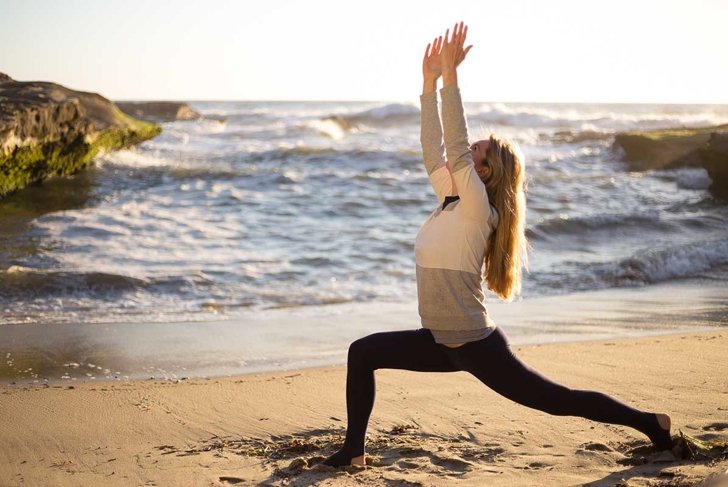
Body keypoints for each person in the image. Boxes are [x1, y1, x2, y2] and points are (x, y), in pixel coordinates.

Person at [320, 21, 673, 469]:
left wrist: (452, 78)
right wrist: (427, 82)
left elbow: (453, 145)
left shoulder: (475, 209)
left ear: (483, 171)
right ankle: (354, 451)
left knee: (555, 400)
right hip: (438, 340)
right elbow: (435, 150)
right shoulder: (450, 200)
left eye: (474, 152)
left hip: (472, 342)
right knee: (363, 352)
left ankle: (650, 424)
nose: (464, 151)